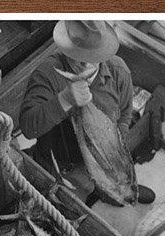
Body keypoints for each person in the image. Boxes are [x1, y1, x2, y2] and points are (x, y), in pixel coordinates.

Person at [19, 20, 155, 205]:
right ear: (66, 48)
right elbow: (28, 128)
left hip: (104, 161)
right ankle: (86, 192)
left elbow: (125, 114)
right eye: (77, 54)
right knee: (66, 215)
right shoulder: (47, 73)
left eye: (93, 54)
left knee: (123, 191)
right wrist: (64, 99)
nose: (85, 62)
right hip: (62, 165)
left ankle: (106, 190)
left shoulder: (119, 72)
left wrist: (114, 150)